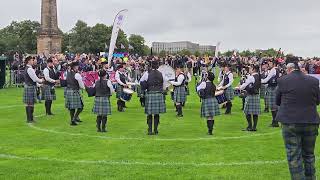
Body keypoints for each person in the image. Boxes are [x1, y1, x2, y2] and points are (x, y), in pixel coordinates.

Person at [275, 60, 320, 180]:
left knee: (294, 156)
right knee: (309, 155)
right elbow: (318, 100)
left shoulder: (283, 80)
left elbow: (277, 101)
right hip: (310, 120)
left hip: (290, 122)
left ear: (289, 70)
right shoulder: (313, 81)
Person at [140, 61, 166, 135]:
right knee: (157, 114)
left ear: (151, 66)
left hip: (150, 93)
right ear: (158, 66)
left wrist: (145, 87)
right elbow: (164, 84)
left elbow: (141, 82)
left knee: (149, 113)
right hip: (159, 94)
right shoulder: (161, 74)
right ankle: (155, 130)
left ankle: (150, 130)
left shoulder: (147, 73)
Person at [238, 65, 261, 131]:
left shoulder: (251, 77)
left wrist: (239, 88)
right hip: (256, 95)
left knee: (247, 112)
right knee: (255, 112)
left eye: (251, 68)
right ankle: (254, 127)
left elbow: (245, 84)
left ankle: (249, 126)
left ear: (253, 69)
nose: (249, 69)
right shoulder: (259, 76)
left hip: (250, 95)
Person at [23, 56, 44, 123]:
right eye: (32, 60)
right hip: (30, 87)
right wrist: (41, 80)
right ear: (29, 61)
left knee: (29, 104)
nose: (33, 61)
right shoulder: (30, 69)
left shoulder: (27, 68)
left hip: (29, 86)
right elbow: (34, 79)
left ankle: (30, 118)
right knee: (30, 104)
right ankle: (30, 119)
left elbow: (31, 80)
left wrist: (39, 85)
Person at [65, 62, 85, 126]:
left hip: (68, 91)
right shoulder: (77, 75)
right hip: (75, 91)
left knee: (72, 107)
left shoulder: (67, 73)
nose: (78, 68)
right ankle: (74, 118)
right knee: (81, 106)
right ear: (74, 67)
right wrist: (85, 88)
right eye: (77, 67)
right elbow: (81, 85)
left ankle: (73, 119)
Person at [261, 59, 280, 127]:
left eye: (270, 63)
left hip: (272, 88)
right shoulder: (277, 69)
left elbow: (266, 79)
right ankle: (275, 121)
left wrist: (259, 80)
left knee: (273, 106)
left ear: (273, 64)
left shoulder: (273, 70)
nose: (269, 64)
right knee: (275, 106)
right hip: (276, 87)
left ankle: (275, 122)